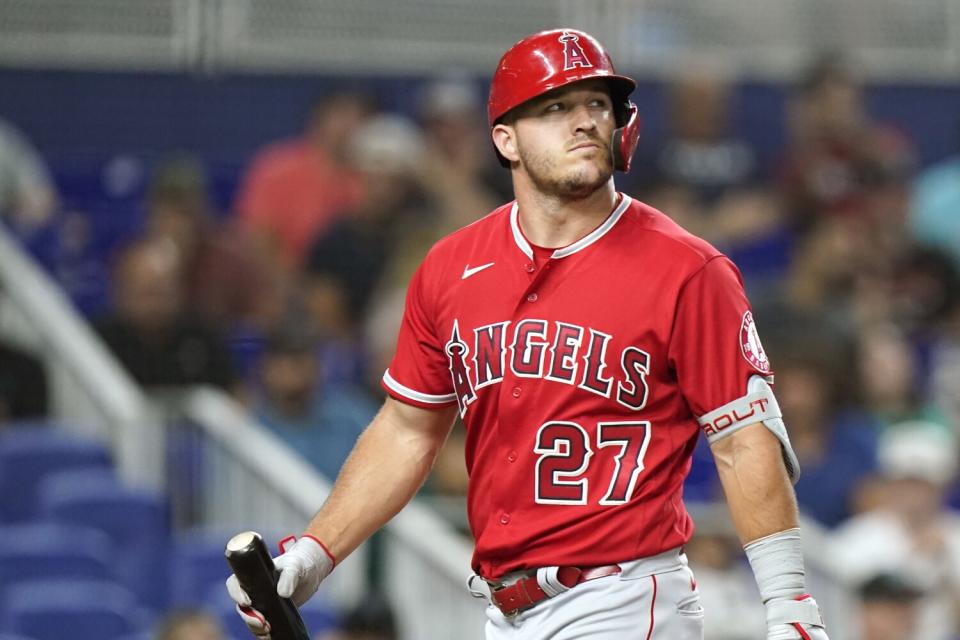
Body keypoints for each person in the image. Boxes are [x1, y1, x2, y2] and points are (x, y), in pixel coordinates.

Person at [227, 29, 829, 640]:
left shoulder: (688, 270)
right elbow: (407, 429)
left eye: (597, 103)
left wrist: (788, 605)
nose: (584, 121)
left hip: (622, 599)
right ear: (504, 140)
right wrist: (314, 551)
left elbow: (744, 440)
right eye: (555, 107)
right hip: (505, 609)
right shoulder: (450, 267)